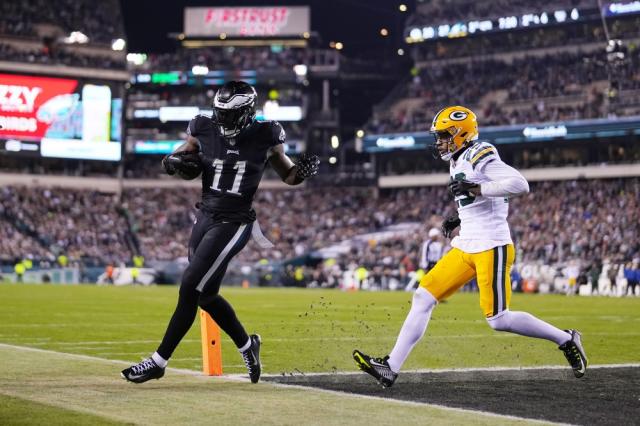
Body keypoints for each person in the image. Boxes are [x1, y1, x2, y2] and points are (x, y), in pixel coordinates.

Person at [353, 106, 588, 387]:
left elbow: (519, 184)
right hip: (467, 245)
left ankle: (566, 339)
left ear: (460, 133)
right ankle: (391, 366)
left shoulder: (480, 152)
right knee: (423, 296)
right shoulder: (458, 158)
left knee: (498, 320)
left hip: (492, 245)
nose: (439, 142)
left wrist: (477, 190)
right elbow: (478, 196)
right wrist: (460, 216)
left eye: (443, 136)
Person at [121, 81, 319, 384]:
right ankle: (247, 345)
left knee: (190, 287)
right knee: (206, 295)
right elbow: (178, 158)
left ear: (246, 112)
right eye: (220, 113)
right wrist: (172, 163)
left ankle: (158, 361)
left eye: (229, 114)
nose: (222, 119)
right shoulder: (202, 126)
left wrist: (301, 173)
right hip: (206, 216)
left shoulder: (266, 134)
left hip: (235, 221)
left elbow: (288, 174)